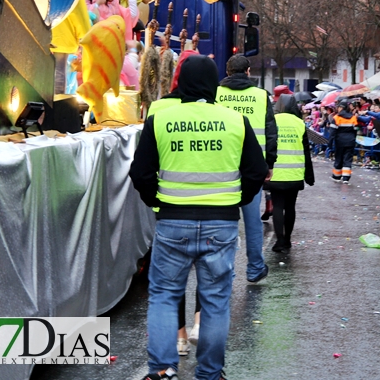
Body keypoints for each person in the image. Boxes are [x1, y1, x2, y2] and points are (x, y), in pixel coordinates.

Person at [129, 56, 267, 380]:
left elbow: (141, 173)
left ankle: (162, 370)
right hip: (221, 223)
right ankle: (210, 373)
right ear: (214, 84)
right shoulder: (234, 120)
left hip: (173, 221)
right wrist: (236, 200)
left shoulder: (161, 118)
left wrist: (159, 203)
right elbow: (257, 171)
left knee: (164, 295)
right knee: (215, 302)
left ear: (181, 83)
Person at [216, 55, 277, 283]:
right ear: (248, 71)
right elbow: (271, 132)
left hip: (223, 163)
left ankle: (226, 270)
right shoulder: (261, 96)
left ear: (228, 71)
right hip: (254, 165)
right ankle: (254, 268)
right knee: (252, 222)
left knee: (227, 220)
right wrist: (269, 163)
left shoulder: (217, 94)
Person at [268, 95, 315, 251]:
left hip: (276, 172)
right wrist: (309, 176)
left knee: (277, 206)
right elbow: (306, 151)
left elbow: (267, 145)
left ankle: (279, 240)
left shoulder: (272, 121)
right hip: (295, 173)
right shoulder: (299, 123)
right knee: (290, 207)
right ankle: (287, 239)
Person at [331, 99, 369, 183]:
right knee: (347, 159)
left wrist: (330, 143)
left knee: (339, 158)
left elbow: (332, 131)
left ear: (341, 108)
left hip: (339, 141)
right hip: (350, 141)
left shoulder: (336, 118)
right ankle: (346, 178)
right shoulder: (353, 117)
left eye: (338, 107)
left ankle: (336, 177)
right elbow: (355, 129)